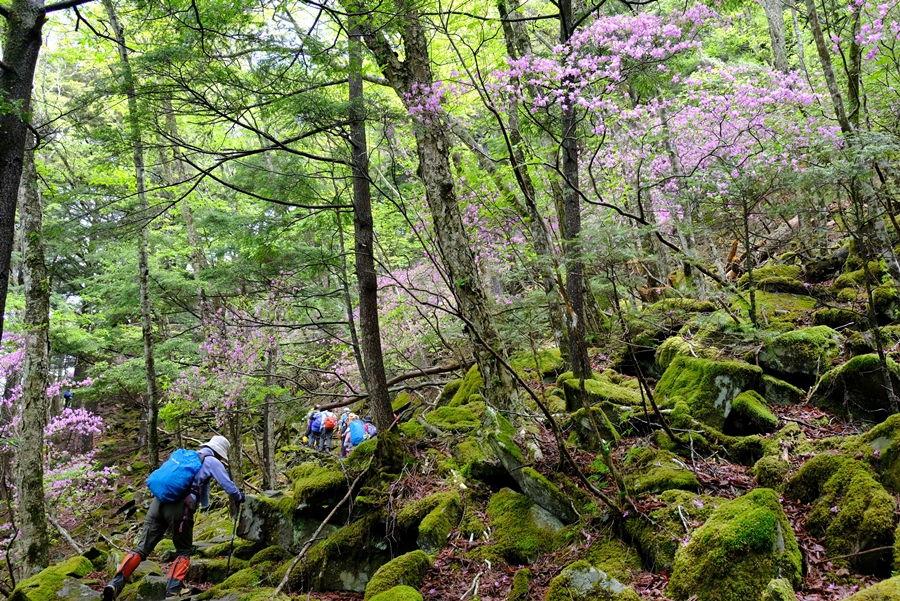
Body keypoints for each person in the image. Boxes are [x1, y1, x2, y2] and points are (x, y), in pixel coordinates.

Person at [103, 436, 244, 601]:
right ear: (219, 453)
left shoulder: (188, 456)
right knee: (183, 550)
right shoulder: (212, 461)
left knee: (142, 548)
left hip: (158, 502)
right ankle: (173, 591)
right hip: (180, 506)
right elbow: (228, 486)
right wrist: (239, 496)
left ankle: (115, 584)